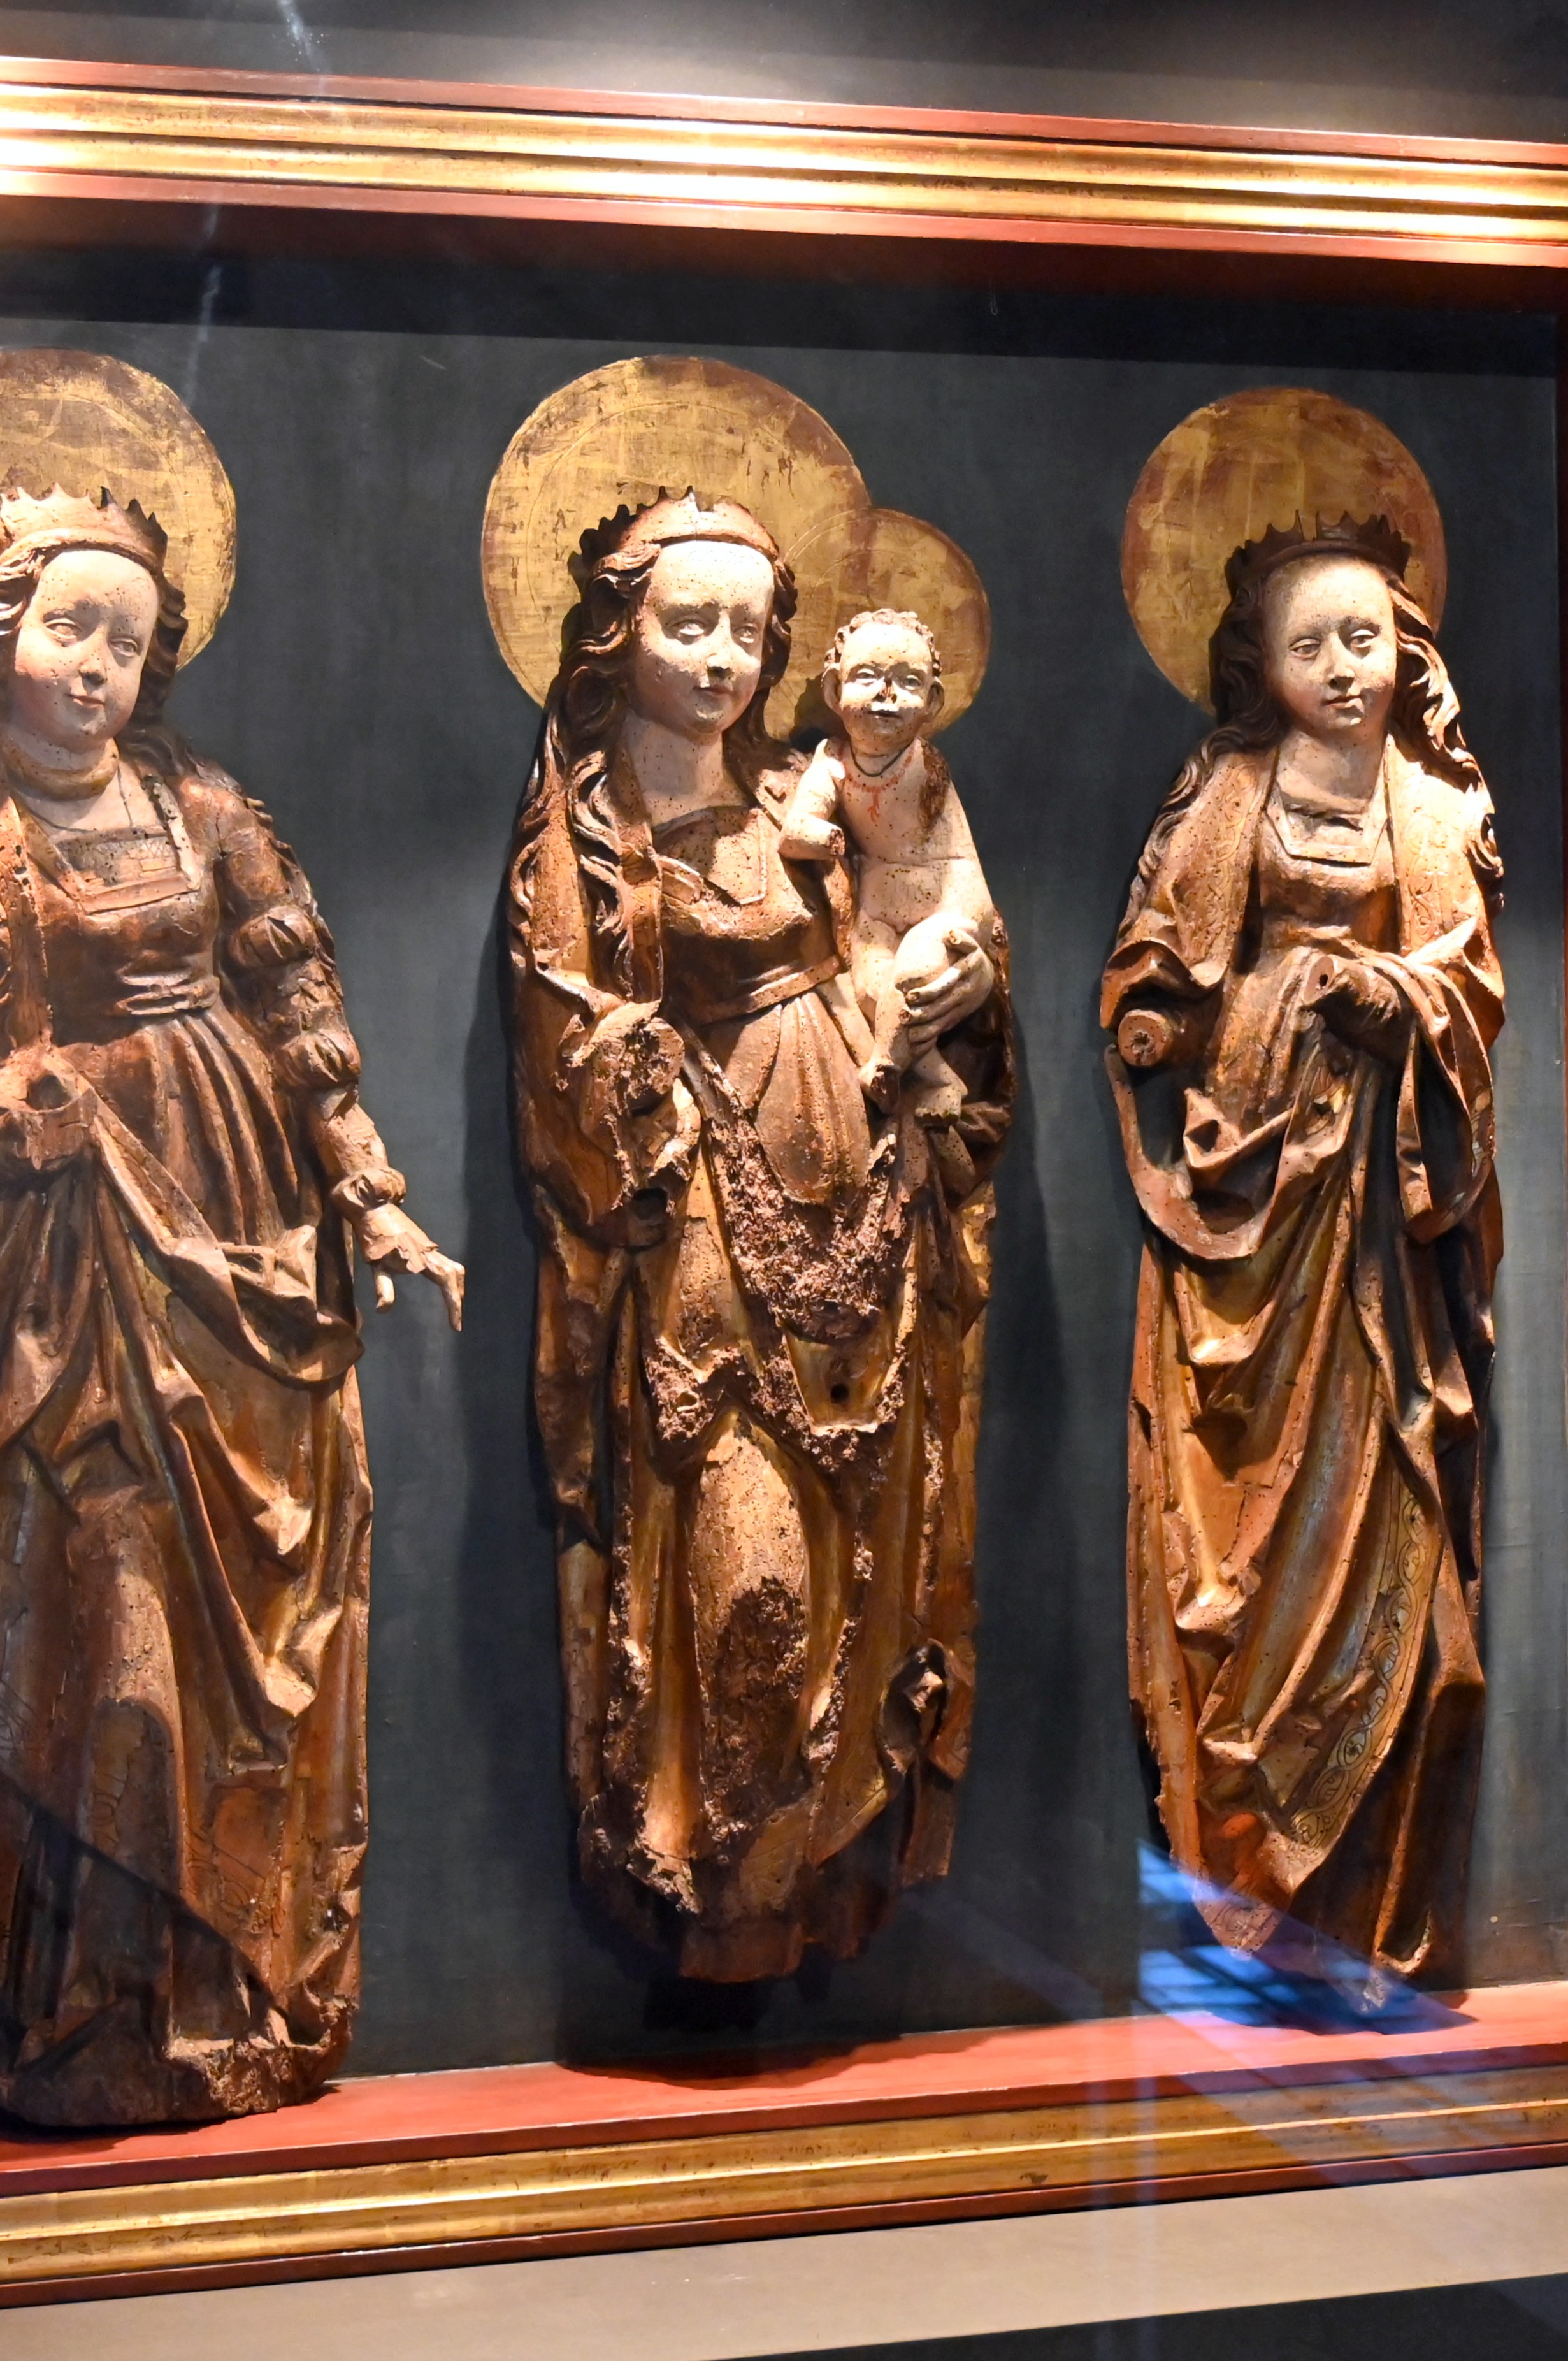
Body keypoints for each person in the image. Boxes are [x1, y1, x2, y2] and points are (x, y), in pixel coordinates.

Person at [0, 487, 459, 2125]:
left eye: (126, 644)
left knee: (256, 1634)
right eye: (69, 629)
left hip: (247, 1229)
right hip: (79, 1284)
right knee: (107, 1624)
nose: (98, 667)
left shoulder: (203, 804)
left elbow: (292, 994)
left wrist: (369, 1184)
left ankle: (236, 1989)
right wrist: (33, 1112)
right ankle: (91, 2000)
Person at [503, 492, 1009, 1982]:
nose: (723, 655)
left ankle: (801, 1884)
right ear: (622, 635)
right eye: (688, 623)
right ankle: (714, 1873)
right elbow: (565, 1028)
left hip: (867, 1205)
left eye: (747, 628)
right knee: (750, 1583)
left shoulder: (814, 790)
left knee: (864, 1563)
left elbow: (930, 919)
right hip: (699, 1231)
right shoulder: (587, 828)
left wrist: (961, 981)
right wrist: (642, 1077)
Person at [1102, 513, 1502, 1991]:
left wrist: (1395, 997)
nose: (1342, 668)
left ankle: (1360, 1870)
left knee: (1384, 1487)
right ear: (1256, 668)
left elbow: (1468, 987)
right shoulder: (1227, 792)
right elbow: (1155, 958)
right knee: (1232, 1527)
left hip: (1381, 1223)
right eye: (1307, 645)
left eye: (1364, 639)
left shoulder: (1434, 811)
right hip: (1245, 1196)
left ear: (1406, 649)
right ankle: (1240, 1849)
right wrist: (1156, 1020)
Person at [775, 608, 1001, 1115]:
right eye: (867, 676)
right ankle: (940, 1081)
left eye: (908, 682)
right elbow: (795, 832)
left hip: (948, 899)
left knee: (915, 975)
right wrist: (824, 835)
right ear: (834, 691)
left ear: (933, 703)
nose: (886, 693)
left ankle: (884, 1064)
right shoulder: (833, 761)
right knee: (872, 990)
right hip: (879, 905)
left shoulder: (925, 763)